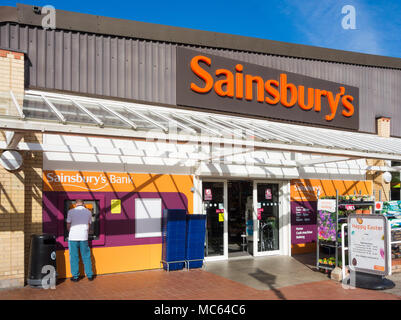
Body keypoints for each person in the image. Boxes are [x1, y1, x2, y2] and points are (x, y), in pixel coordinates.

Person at [66, 199, 94, 282]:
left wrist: (71, 231)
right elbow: (89, 225)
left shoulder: (71, 211)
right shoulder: (88, 212)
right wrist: (85, 232)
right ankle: (90, 275)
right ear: (83, 204)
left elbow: (68, 224)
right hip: (84, 237)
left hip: (73, 237)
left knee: (74, 257)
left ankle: (75, 277)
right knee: (86, 256)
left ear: (75, 204)